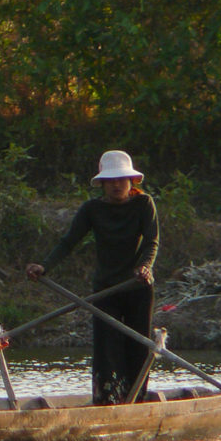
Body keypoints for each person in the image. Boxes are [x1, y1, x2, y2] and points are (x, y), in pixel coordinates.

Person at [26, 150, 159, 404]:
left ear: (131, 181)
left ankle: (136, 402)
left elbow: (152, 242)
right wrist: (45, 266)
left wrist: (145, 267)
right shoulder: (92, 209)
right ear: (102, 183)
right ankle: (107, 401)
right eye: (110, 181)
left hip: (137, 287)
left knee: (138, 348)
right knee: (106, 351)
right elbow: (68, 242)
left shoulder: (144, 204)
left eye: (121, 179)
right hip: (105, 290)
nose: (116, 185)